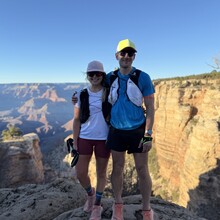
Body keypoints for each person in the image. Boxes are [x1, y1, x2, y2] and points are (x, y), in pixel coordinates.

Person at [106, 39, 155, 220]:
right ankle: (118, 205)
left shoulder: (143, 77)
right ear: (117, 55)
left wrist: (148, 135)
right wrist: (77, 99)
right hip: (116, 130)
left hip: (137, 130)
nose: (126, 56)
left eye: (130, 53)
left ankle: (146, 209)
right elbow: (97, 93)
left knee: (142, 169)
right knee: (117, 168)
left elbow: (150, 107)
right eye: (123, 53)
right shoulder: (109, 77)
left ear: (134, 56)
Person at [72, 60, 111, 220]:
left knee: (101, 173)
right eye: (91, 74)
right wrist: (75, 142)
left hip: (104, 139)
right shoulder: (81, 94)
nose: (94, 76)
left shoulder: (109, 93)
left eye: (98, 74)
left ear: (102, 75)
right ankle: (90, 194)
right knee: (80, 172)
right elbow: (76, 120)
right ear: (87, 76)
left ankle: (97, 205)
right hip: (84, 138)